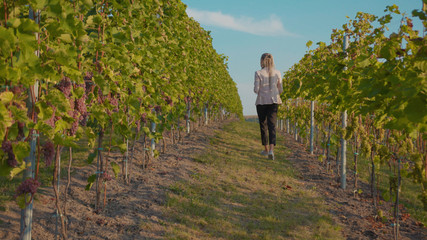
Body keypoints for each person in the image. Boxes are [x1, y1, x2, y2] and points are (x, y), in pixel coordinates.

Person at [253, 53, 283, 160]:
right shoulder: (278, 73)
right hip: (274, 101)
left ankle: (265, 150)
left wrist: (261, 90)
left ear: (262, 61)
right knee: (272, 125)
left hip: (261, 101)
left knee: (263, 125)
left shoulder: (258, 73)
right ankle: (271, 150)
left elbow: (256, 90)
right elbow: (280, 89)